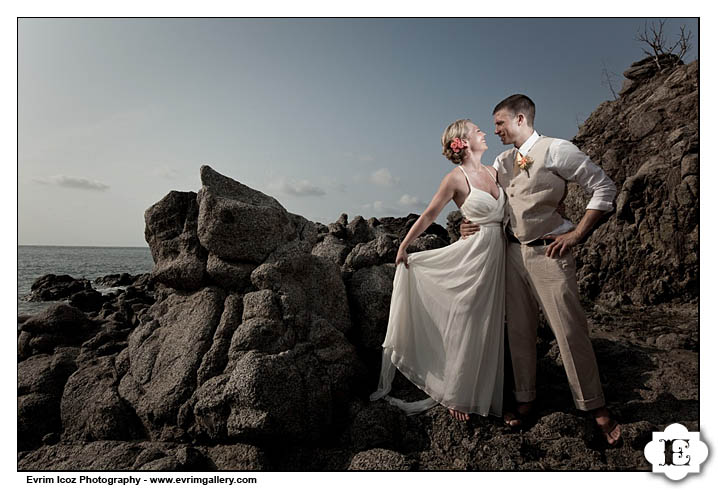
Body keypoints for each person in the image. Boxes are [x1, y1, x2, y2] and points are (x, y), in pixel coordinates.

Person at [460, 94, 622, 446]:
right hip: (510, 255)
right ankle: (526, 397)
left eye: (500, 123)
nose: (496, 130)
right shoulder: (503, 162)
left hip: (550, 254)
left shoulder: (558, 150)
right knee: (519, 331)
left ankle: (594, 406)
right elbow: (481, 194)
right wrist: (466, 224)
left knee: (570, 331)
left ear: (521, 119)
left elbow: (604, 188)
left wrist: (577, 234)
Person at [370, 119, 506, 421]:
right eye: (477, 130)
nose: (484, 132)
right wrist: (404, 245)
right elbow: (431, 213)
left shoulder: (497, 172)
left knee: (488, 320)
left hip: (497, 254)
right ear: (464, 141)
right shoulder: (455, 179)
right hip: (472, 256)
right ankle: (455, 392)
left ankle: (481, 388)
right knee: (465, 316)